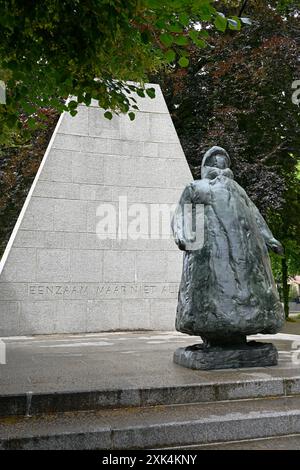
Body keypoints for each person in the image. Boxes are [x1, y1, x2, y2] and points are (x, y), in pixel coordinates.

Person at [172, 146, 284, 347]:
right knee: (214, 290)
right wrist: (181, 234)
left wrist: (270, 238)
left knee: (246, 288)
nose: (220, 162)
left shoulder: (238, 190)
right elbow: (182, 213)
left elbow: (255, 215)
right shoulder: (198, 187)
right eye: (215, 159)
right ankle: (212, 334)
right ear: (208, 164)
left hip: (245, 251)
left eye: (223, 159)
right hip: (212, 251)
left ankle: (243, 329)